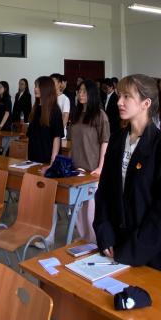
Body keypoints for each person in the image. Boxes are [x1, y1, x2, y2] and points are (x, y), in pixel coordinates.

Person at [94, 74, 161, 276]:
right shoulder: (117, 140)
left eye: (127, 96)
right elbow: (105, 191)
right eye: (119, 96)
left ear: (145, 103)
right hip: (116, 244)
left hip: (150, 252)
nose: (119, 102)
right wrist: (104, 232)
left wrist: (133, 250)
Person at [71, 79, 110, 243]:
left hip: (92, 168)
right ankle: (83, 238)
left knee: (91, 209)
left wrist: (101, 166)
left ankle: (94, 241)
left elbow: (105, 141)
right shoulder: (77, 114)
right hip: (77, 167)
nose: (80, 94)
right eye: (79, 91)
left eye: (84, 91)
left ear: (92, 94)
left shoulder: (100, 115)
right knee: (79, 208)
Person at [27, 76, 63, 165]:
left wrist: (52, 163)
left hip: (47, 159)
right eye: (35, 86)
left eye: (38, 87)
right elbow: (31, 136)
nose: (35, 89)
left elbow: (57, 137)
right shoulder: (35, 109)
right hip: (33, 158)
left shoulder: (54, 110)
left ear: (46, 89)